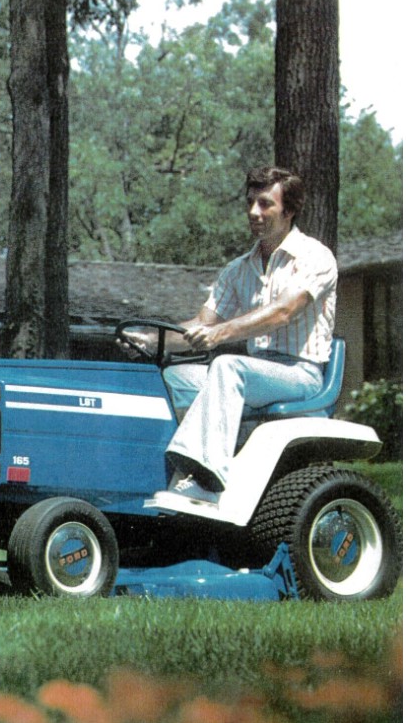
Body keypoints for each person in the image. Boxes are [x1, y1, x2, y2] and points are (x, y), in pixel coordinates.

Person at [120, 166, 337, 504]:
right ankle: (171, 468)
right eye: (250, 203)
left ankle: (206, 480)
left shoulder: (315, 257)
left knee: (228, 366)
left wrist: (221, 333)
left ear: (289, 210)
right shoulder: (238, 269)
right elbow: (201, 324)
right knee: (175, 377)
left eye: (265, 204)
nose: (254, 212)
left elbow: (283, 311)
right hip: (258, 373)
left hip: (301, 375)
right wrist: (149, 339)